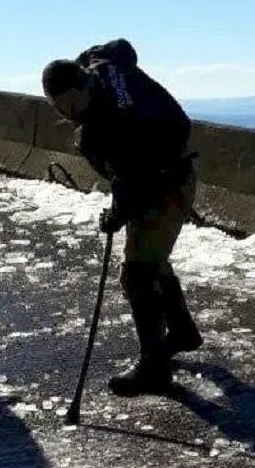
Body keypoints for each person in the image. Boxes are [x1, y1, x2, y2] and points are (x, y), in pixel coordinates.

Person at [42, 39, 202, 396]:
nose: (66, 114)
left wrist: (115, 216)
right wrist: (87, 59)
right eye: (57, 108)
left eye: (68, 105)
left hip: (167, 182)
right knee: (151, 260)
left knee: (137, 273)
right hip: (167, 171)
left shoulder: (110, 126)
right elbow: (120, 46)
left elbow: (131, 182)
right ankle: (180, 331)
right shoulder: (103, 66)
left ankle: (154, 368)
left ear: (79, 89)